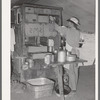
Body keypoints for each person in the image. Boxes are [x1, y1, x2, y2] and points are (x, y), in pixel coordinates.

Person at [50, 16, 81, 96]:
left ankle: (73, 90)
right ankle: (72, 87)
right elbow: (69, 37)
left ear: (72, 24)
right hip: (76, 52)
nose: (68, 23)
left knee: (71, 72)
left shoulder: (68, 30)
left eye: (69, 22)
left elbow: (58, 28)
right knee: (75, 71)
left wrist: (53, 20)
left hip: (71, 52)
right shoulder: (77, 32)